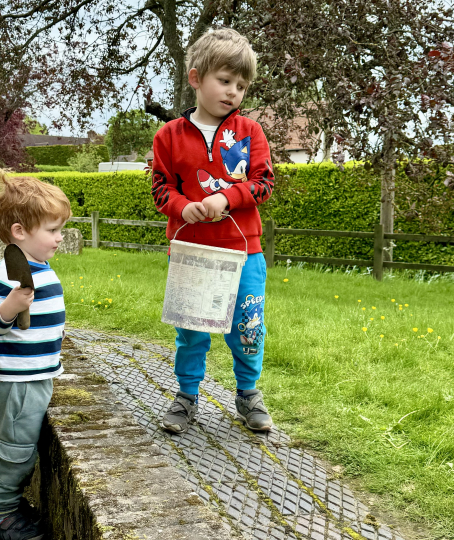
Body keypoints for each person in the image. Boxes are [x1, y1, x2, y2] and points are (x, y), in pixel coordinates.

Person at [151, 27, 276, 434]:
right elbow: (160, 189)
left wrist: (228, 198)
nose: (233, 92)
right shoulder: (168, 136)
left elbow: (263, 183)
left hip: (245, 254)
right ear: (195, 78)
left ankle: (248, 394)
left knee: (248, 327)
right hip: (192, 253)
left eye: (241, 86)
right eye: (224, 81)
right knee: (191, 331)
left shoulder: (251, 132)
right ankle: (187, 396)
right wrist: (183, 208)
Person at [0, 170, 71, 540]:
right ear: (20, 232)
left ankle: (11, 503)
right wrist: (10, 306)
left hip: (34, 378)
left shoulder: (39, 267)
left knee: (21, 448)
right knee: (17, 453)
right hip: (17, 385)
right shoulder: (8, 275)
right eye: (52, 230)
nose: (59, 238)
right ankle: (1, 514)